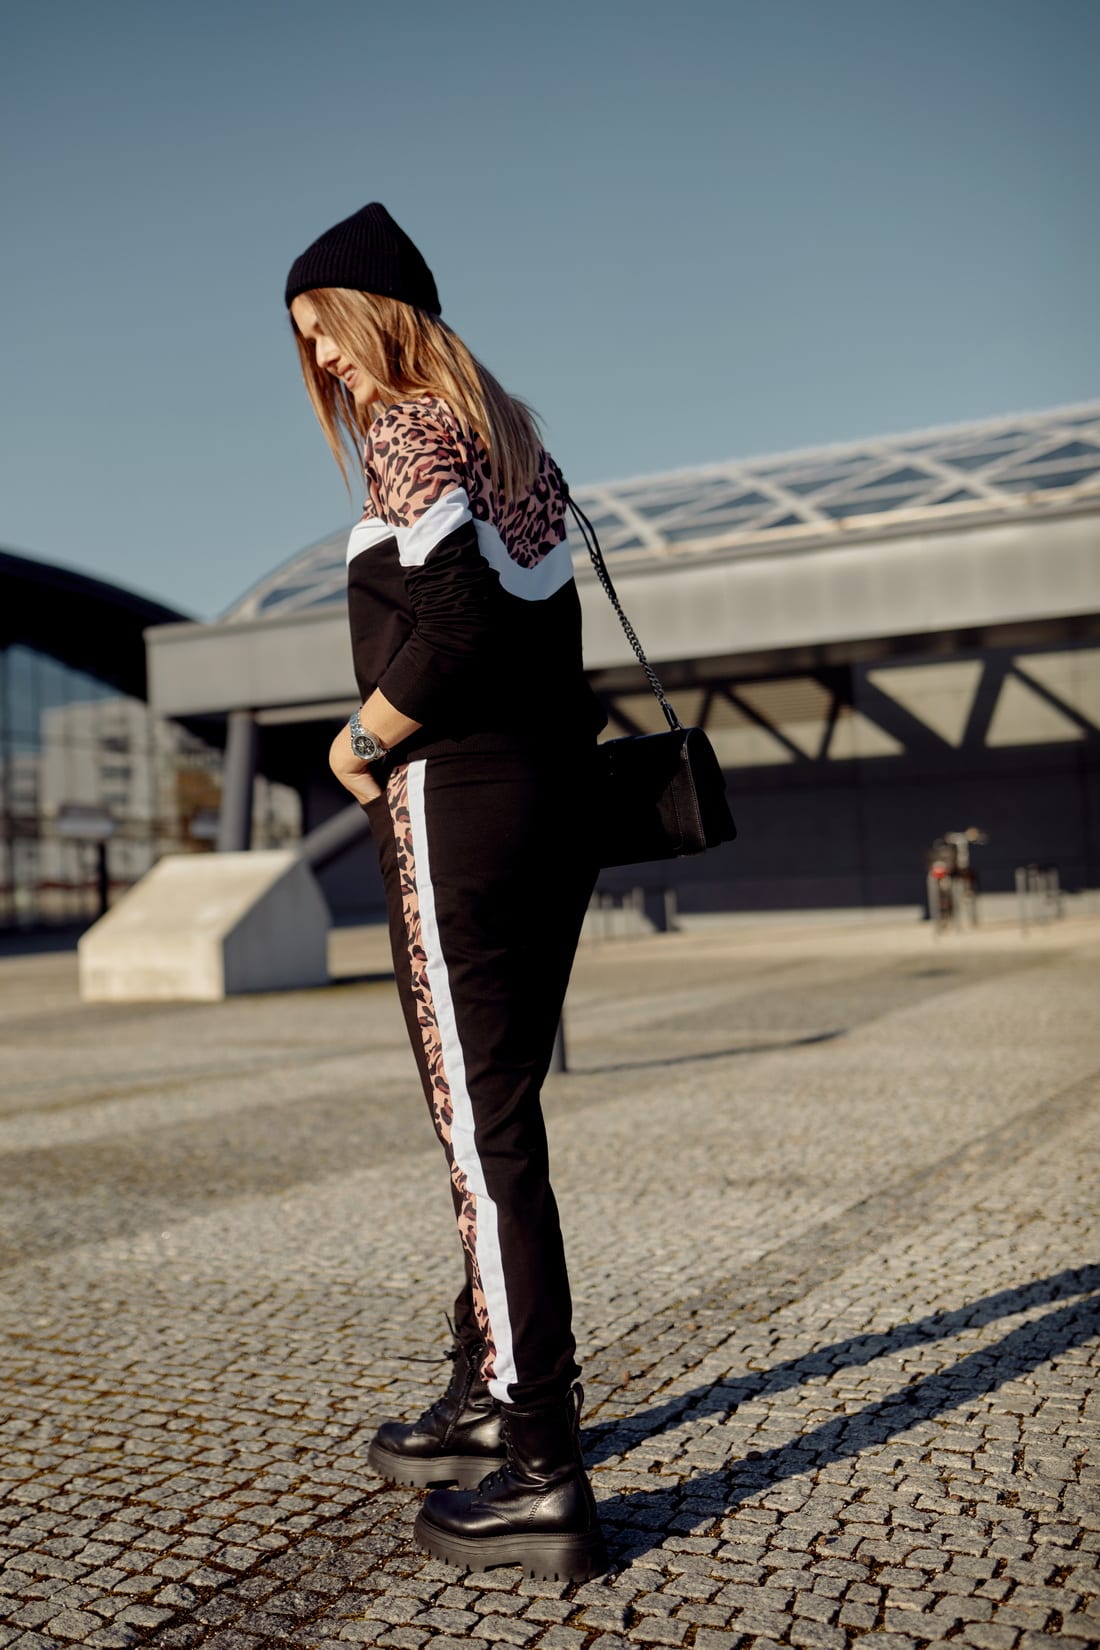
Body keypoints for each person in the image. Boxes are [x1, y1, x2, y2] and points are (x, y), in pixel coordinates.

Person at [284, 202, 609, 1580]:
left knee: (485, 1140)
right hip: (548, 804)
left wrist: (361, 737)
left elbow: (462, 626)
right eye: (308, 349)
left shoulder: (411, 427)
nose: (329, 369)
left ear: (379, 313)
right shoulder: (511, 427)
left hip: (456, 807)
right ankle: (486, 1384)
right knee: (501, 1119)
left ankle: (540, 1462)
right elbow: (548, 630)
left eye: (328, 334)